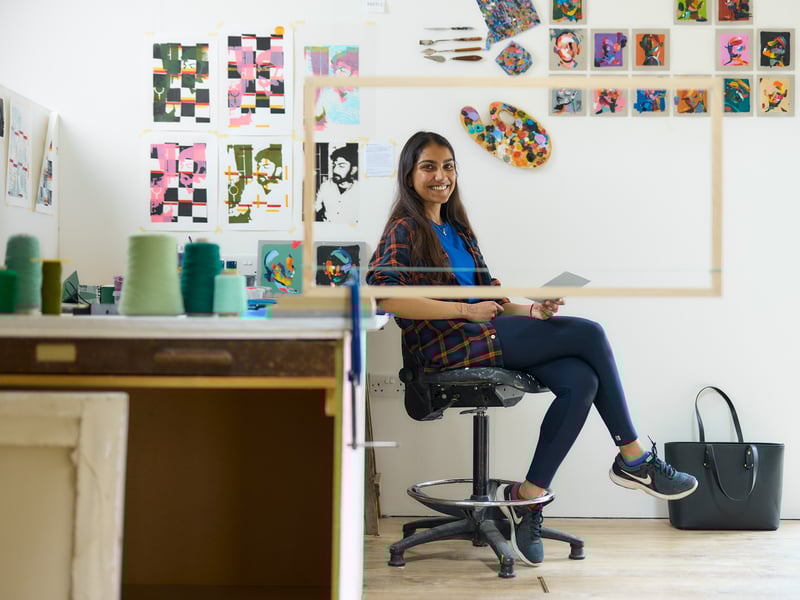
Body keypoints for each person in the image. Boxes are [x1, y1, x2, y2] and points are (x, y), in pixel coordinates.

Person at [366, 131, 698, 567]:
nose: (441, 176)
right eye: (429, 167)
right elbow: (384, 296)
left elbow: (493, 301)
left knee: (582, 379)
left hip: (482, 336)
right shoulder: (406, 228)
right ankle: (633, 457)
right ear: (409, 175)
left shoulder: (459, 231)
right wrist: (464, 313)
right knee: (590, 333)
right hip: (449, 346)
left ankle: (529, 497)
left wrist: (532, 310)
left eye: (448, 166)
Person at [315, 143, 359, 223]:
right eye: (334, 165)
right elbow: (316, 207)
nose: (335, 170)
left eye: (341, 166)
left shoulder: (360, 189)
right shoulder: (325, 186)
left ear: (353, 170)